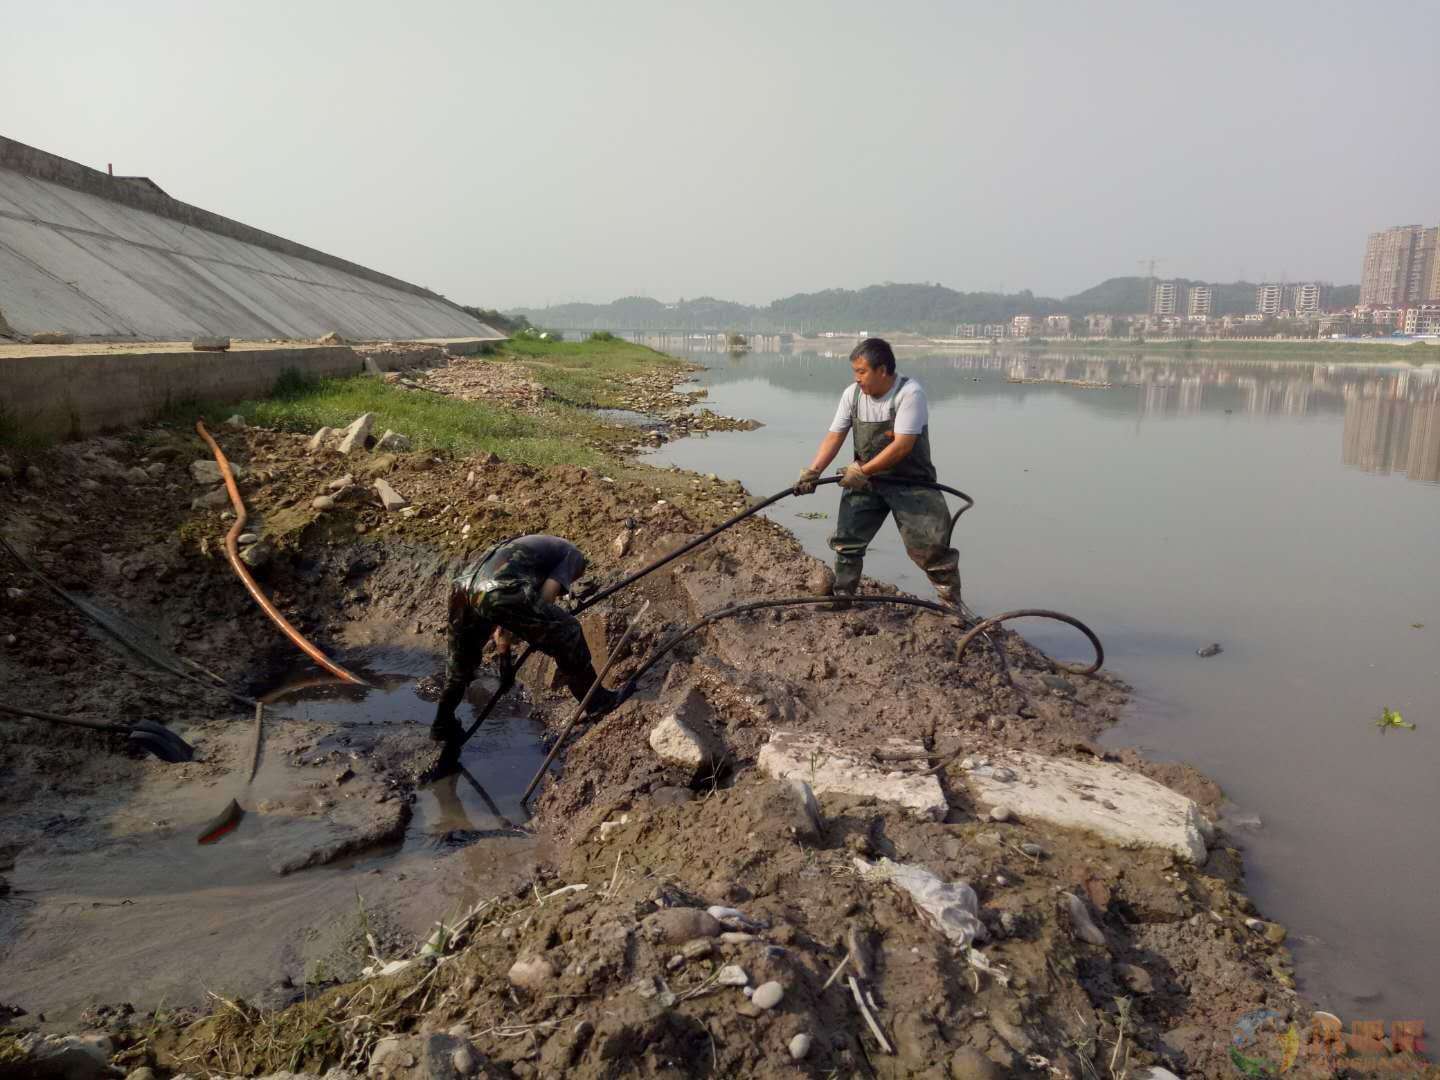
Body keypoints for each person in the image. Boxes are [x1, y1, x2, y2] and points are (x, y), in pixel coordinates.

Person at [794, 337, 962, 608]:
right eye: (854, 372)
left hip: (911, 483)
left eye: (862, 372)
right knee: (847, 540)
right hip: (867, 482)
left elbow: (902, 446)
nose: (857, 378)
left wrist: (861, 470)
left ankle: (952, 606)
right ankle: (843, 596)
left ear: (882, 370)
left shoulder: (910, 394)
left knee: (931, 549)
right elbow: (835, 436)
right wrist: (813, 472)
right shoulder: (853, 395)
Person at [431, 534, 621, 744]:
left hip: (462, 587)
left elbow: (507, 621)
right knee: (569, 633)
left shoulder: (534, 548)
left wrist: (505, 660)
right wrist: (550, 623)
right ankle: (597, 702)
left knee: (460, 664)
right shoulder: (574, 556)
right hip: (496, 591)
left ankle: (442, 724)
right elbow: (546, 596)